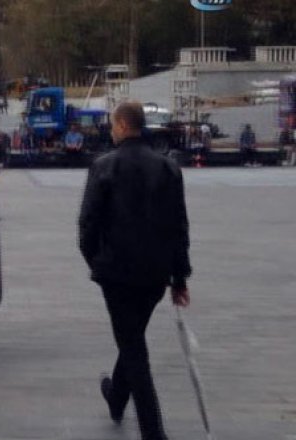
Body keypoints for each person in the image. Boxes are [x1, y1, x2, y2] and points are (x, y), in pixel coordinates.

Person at [79, 102, 192, 440]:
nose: (111, 131)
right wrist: (179, 277)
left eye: (113, 125)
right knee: (132, 337)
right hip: (154, 275)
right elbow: (179, 227)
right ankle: (115, 397)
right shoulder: (169, 168)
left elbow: (87, 225)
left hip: (116, 275)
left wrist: (96, 262)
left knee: (133, 348)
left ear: (124, 126)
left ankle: (153, 432)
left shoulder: (103, 167)